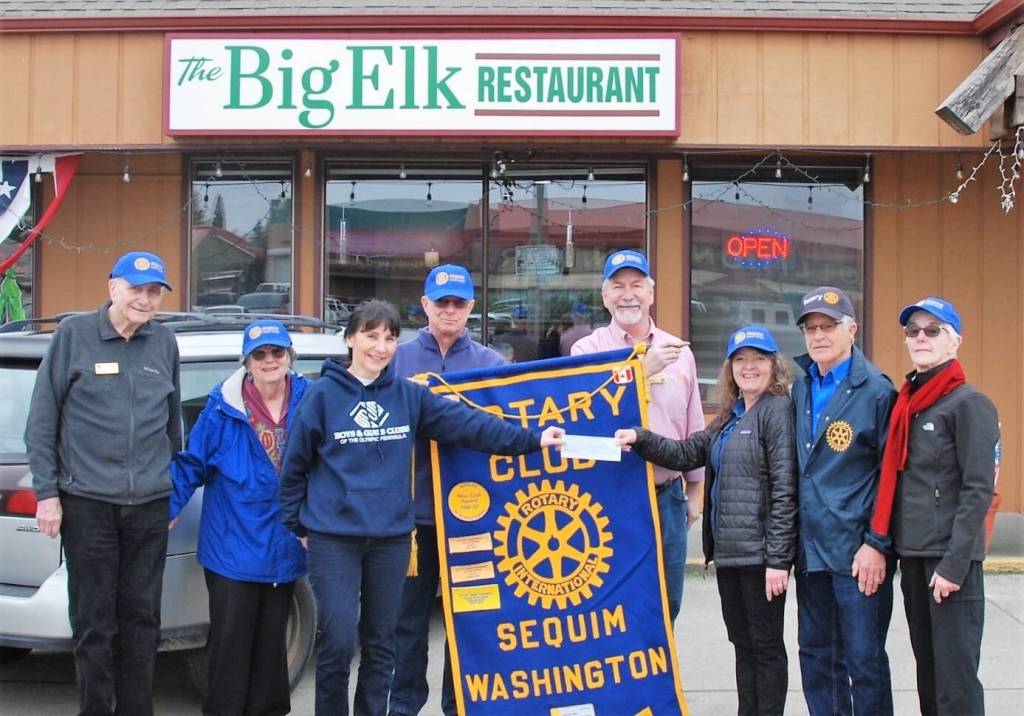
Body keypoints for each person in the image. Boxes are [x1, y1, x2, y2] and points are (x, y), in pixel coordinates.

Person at [277, 300, 564, 716]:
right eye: (371, 336)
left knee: (380, 644)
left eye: (390, 338)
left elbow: (470, 425)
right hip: (334, 540)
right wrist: (298, 526)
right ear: (351, 338)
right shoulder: (321, 397)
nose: (380, 346)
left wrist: (532, 438)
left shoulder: (409, 396)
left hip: (392, 540)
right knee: (338, 642)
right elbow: (293, 468)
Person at [25, 250, 181, 715]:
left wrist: (167, 491)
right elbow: (42, 421)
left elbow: (172, 429)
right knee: (95, 624)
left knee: (142, 620)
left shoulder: (164, 343)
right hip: (88, 503)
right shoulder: (73, 336)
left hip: (149, 508)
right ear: (112, 287)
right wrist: (47, 494)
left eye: (154, 291)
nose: (145, 299)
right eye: (136, 289)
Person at [615, 325, 797, 716]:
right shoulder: (729, 418)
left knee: (765, 648)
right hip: (731, 555)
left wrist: (778, 560)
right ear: (730, 369)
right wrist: (640, 437)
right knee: (743, 644)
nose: (749, 367)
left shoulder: (777, 410)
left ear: (774, 366)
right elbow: (684, 453)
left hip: (760, 558)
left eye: (759, 359)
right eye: (741, 360)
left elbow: (785, 487)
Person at [170, 319, 309, 716]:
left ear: (289, 356)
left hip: (284, 545)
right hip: (232, 546)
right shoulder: (221, 408)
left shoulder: (310, 400)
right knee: (230, 649)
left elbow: (330, 464)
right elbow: (191, 464)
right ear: (247, 361)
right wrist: (166, 509)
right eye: (260, 354)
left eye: (276, 352)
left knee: (271, 648)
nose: (269, 361)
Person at [867, 297, 998, 716]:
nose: (920, 337)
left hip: (948, 565)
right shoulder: (907, 403)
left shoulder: (969, 404)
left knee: (955, 682)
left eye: (932, 330)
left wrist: (954, 565)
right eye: (913, 331)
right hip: (915, 557)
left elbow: (978, 491)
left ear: (954, 341)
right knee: (929, 675)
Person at [389, 264, 506, 716]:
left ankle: (460, 705)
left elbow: (508, 430)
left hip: (472, 519)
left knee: (469, 621)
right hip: (410, 521)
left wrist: (467, 414)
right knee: (406, 625)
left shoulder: (492, 365)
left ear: (472, 308)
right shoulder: (395, 358)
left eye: (459, 303)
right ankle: (403, 706)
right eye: (442, 303)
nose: (450, 310)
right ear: (425, 306)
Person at [571, 249, 704, 623]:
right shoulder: (586, 350)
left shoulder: (679, 351)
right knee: (612, 605)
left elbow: (692, 426)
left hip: (667, 499)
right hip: (607, 499)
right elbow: (587, 417)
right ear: (604, 296)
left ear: (651, 292)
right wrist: (640, 373)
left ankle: (659, 682)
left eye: (636, 285)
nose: (627, 294)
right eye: (617, 286)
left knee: (666, 603)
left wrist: (695, 492)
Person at [791, 286, 897, 716]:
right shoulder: (800, 388)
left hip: (857, 555)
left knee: (864, 662)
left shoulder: (876, 391)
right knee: (817, 659)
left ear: (851, 330)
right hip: (810, 552)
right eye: (810, 328)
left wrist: (877, 544)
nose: (818, 336)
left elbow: (893, 477)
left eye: (828, 326)